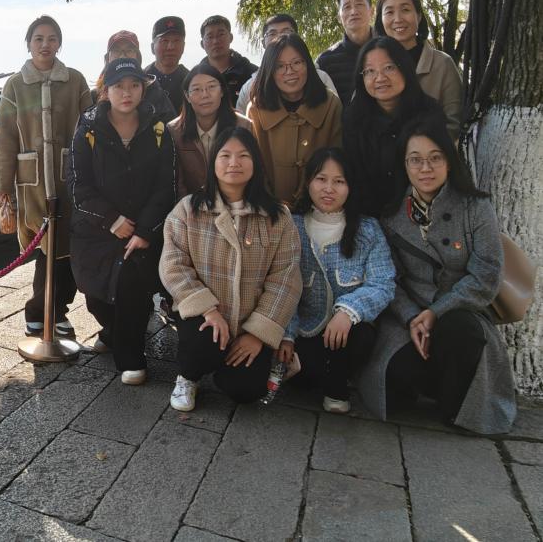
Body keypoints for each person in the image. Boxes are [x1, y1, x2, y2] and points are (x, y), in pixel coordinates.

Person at [359, 121, 517, 434]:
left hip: (461, 310)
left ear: (449, 160)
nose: (425, 168)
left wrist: (436, 312)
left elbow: (486, 274)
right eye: (415, 159)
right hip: (409, 316)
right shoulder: (391, 215)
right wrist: (412, 317)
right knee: (395, 373)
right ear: (404, 165)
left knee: (459, 331)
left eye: (435, 158)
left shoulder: (476, 206)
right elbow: (390, 279)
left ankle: (456, 407)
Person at [159, 127, 301, 411]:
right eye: (225, 155)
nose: (234, 163)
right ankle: (188, 376)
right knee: (202, 345)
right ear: (213, 163)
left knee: (246, 390)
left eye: (243, 155)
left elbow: (285, 279)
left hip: (250, 320)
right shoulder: (188, 209)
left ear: (256, 162)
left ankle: (232, 362)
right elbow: (173, 264)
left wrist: (257, 334)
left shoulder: (278, 216)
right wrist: (209, 310)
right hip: (205, 317)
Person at [69, 57, 176, 379]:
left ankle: (132, 359)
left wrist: (144, 230)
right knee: (96, 297)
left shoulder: (158, 130)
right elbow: (78, 185)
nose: (127, 93)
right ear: (106, 90)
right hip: (97, 230)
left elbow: (165, 186)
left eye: (134, 85)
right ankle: (113, 332)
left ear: (143, 89)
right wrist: (111, 219)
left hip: (141, 230)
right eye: (118, 86)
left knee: (132, 291)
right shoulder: (87, 130)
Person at [0, 15, 94, 338]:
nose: (45, 45)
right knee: (45, 248)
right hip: (32, 181)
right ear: (28, 43)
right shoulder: (15, 85)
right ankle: (43, 311)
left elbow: (89, 129)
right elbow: (6, 140)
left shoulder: (75, 80)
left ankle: (53, 310)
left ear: (59, 43)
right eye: (38, 38)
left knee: (68, 247)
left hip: (70, 179)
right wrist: (2, 189)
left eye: (52, 38)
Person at [277, 147, 394, 413]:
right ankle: (320, 372)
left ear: (351, 186)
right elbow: (282, 284)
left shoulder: (367, 229)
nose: (329, 189)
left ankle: (337, 387)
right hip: (306, 329)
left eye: (339, 181)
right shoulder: (291, 226)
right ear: (308, 181)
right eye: (321, 179)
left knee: (360, 337)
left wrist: (348, 312)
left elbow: (383, 283)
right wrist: (288, 335)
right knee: (301, 375)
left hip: (348, 332)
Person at [342, 36, 445, 217]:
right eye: (370, 71)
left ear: (404, 68)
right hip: (371, 216)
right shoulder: (353, 117)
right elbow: (354, 176)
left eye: (389, 67)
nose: (380, 78)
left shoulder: (429, 112)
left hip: (424, 213)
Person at [245, 33, 343, 206]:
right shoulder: (256, 110)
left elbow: (339, 160)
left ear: (308, 64)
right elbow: (252, 164)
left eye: (297, 63)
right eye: (279, 66)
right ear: (269, 70)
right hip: (270, 209)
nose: (289, 71)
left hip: (321, 207)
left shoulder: (330, 104)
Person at [374, 0, 463, 138]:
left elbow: (454, 124)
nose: (398, 19)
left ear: (419, 16)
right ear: (380, 20)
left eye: (405, 10)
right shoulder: (371, 65)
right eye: (389, 12)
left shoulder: (443, 64)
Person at [169, 65, 252, 198]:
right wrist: (188, 207)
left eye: (212, 87)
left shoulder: (244, 125)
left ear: (222, 91)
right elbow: (178, 183)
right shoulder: (174, 130)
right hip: (191, 204)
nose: (205, 95)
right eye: (197, 89)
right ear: (187, 96)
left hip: (237, 201)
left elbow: (253, 172)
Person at [235, 14, 337, 111]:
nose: (280, 37)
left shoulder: (321, 78)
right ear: (263, 42)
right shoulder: (251, 87)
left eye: (286, 32)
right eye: (272, 34)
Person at [96, 30, 177, 122]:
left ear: (138, 57)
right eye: (116, 51)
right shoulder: (96, 95)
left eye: (129, 50)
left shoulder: (155, 94)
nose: (122, 56)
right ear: (107, 59)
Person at [318, 0, 374, 104]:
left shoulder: (390, 49)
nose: (353, 12)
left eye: (359, 4)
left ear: (372, 11)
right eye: (347, 7)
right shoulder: (325, 61)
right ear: (339, 17)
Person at [196, 16, 258, 107]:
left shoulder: (252, 74)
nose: (216, 41)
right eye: (210, 37)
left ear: (231, 37)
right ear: (202, 44)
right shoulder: (196, 77)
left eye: (221, 34)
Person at [146, 16, 189, 114]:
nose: (170, 47)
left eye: (176, 41)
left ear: (183, 46)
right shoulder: (141, 80)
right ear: (152, 47)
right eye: (164, 41)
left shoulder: (191, 81)